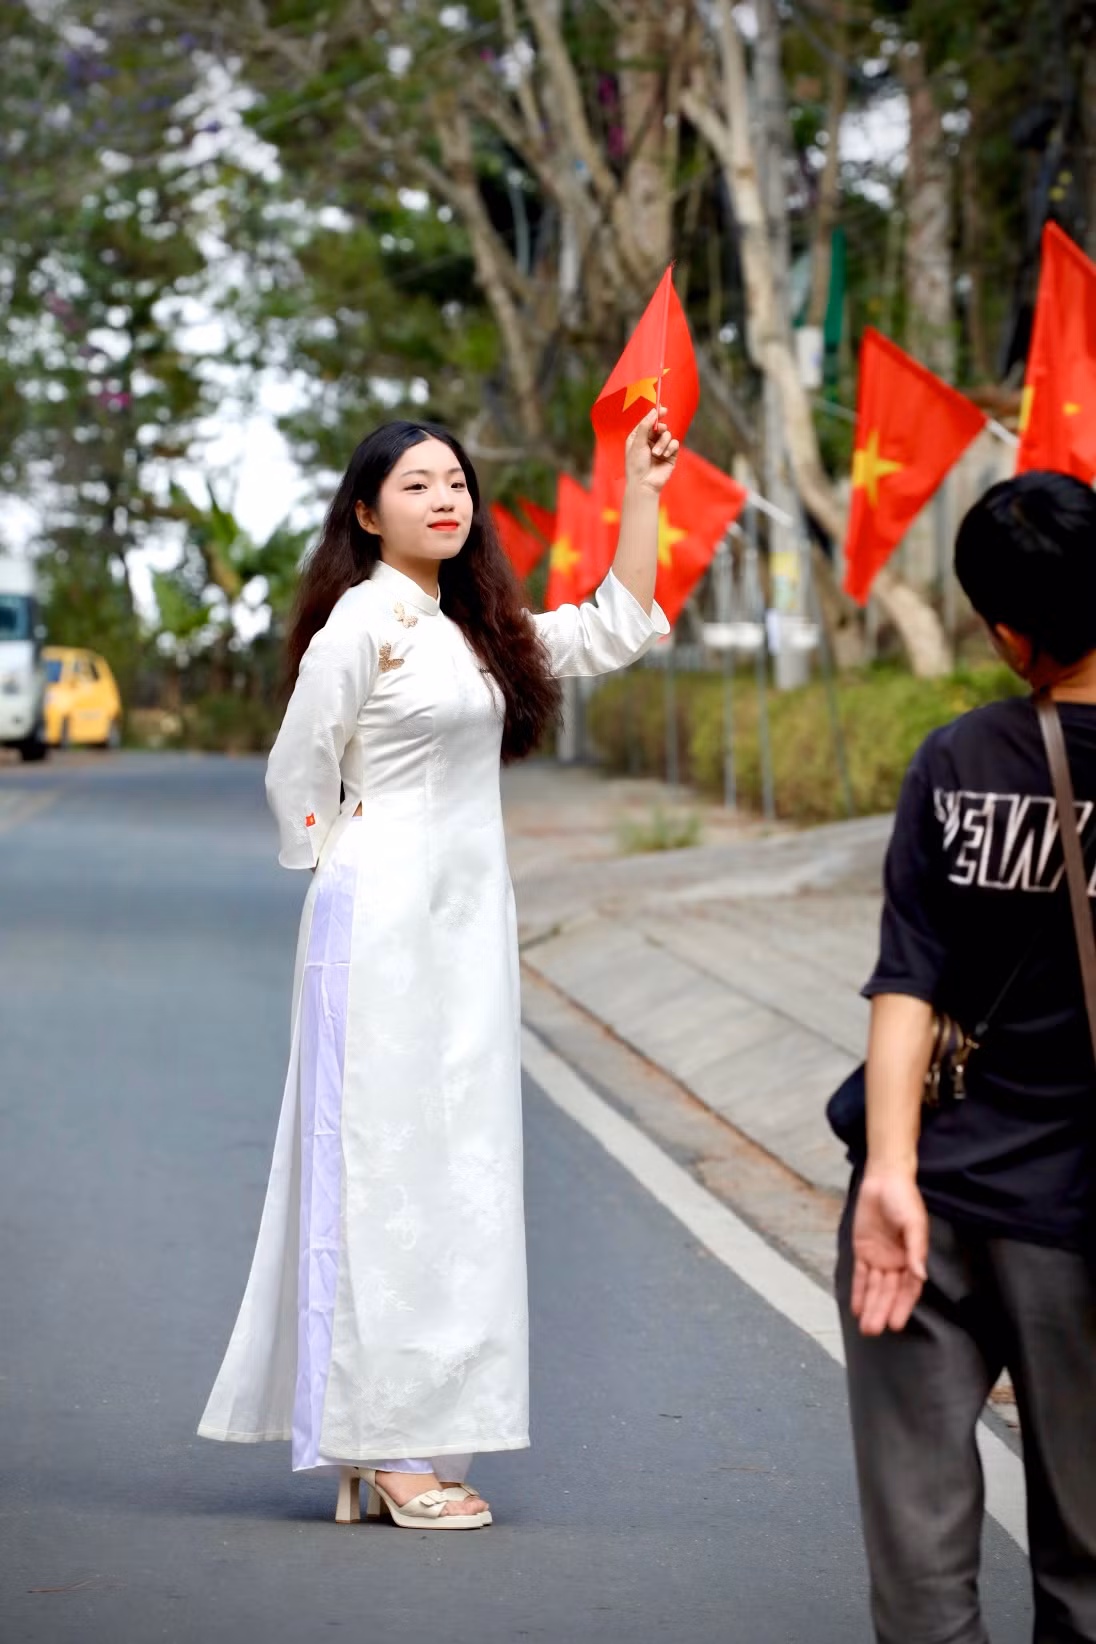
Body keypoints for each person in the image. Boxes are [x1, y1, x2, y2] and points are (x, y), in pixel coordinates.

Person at [198, 409, 677, 1529]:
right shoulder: (362, 625)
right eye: (415, 485)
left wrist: (641, 486)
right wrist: (347, 858)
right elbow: (296, 770)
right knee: (385, 1167)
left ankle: (413, 1432)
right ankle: (386, 1442)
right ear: (367, 514)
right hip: (378, 927)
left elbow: (614, 626)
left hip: (466, 930)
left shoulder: (480, 630)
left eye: (454, 480)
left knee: (460, 1170)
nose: (443, 499)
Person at [838, 470, 1096, 1641]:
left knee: (920, 1556)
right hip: (1073, 1210)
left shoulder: (954, 761)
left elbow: (907, 982)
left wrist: (888, 1174)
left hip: (928, 1190)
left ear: (1004, 630)